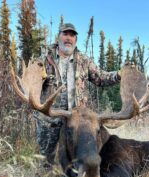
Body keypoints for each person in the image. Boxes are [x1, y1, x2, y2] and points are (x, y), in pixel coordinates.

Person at [35, 22, 121, 164]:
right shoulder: (43, 60)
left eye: (72, 35)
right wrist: (38, 77)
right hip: (50, 118)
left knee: (76, 154)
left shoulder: (84, 60)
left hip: (77, 121)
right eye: (65, 34)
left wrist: (118, 74)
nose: (69, 38)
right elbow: (30, 85)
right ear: (59, 37)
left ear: (75, 40)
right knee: (46, 157)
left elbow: (101, 78)